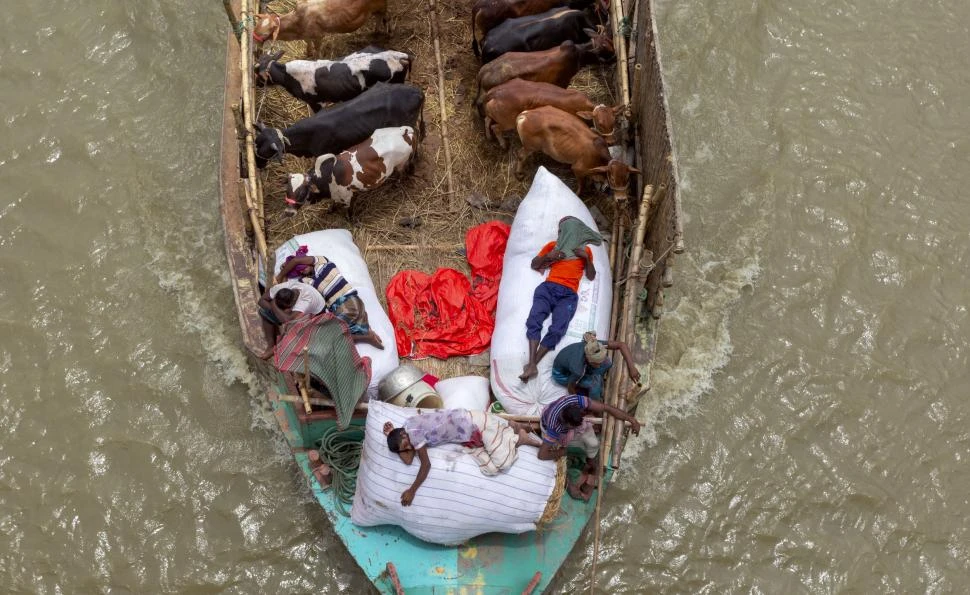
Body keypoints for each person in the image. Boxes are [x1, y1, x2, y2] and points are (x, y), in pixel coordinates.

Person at [383, 409, 541, 505]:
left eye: (406, 444)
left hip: (475, 423)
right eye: (406, 448)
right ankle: (512, 428)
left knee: (503, 464)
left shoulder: (414, 435)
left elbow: (426, 465)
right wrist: (391, 436)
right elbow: (408, 459)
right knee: (490, 469)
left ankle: (519, 437)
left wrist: (412, 490)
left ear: (403, 433)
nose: (410, 448)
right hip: (470, 438)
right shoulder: (407, 425)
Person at [519, 216, 603, 382]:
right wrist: (549, 257)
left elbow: (591, 276)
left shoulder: (585, 251)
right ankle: (532, 364)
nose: (559, 233)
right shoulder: (552, 246)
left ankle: (532, 364)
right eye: (559, 231)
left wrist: (585, 259)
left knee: (558, 329)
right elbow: (534, 264)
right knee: (534, 319)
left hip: (568, 295)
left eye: (562, 230)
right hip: (548, 288)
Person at [536, 394, 640, 501]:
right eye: (572, 426)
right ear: (566, 423)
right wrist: (563, 452)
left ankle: (591, 462)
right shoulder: (554, 427)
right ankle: (568, 482)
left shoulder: (575, 400)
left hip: (572, 426)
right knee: (559, 460)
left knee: (593, 444)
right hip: (551, 428)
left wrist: (632, 420)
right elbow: (542, 455)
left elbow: (606, 407)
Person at [276, 254, 384, 349]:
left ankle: (365, 338)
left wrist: (281, 274)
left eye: (302, 267)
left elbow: (296, 261)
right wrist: (286, 273)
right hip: (347, 306)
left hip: (349, 302)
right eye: (299, 271)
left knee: (330, 337)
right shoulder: (307, 282)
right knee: (344, 332)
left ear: (307, 262)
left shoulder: (322, 262)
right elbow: (288, 291)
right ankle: (367, 334)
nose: (302, 270)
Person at [552, 331, 641, 400]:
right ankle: (594, 408)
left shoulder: (594, 345)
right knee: (595, 385)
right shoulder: (577, 370)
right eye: (597, 363)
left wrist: (632, 367)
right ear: (589, 360)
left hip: (575, 363)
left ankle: (594, 378)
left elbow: (621, 345)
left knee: (607, 362)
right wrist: (579, 402)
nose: (599, 365)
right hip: (561, 374)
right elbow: (570, 387)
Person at [257, 278, 326, 347]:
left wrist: (273, 304)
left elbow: (287, 320)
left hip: (317, 313)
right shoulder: (285, 286)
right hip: (297, 307)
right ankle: (271, 345)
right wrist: (276, 309)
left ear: (292, 303)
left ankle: (278, 348)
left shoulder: (305, 300)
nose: (283, 310)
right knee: (265, 314)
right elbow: (261, 301)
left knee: (293, 329)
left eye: (285, 308)